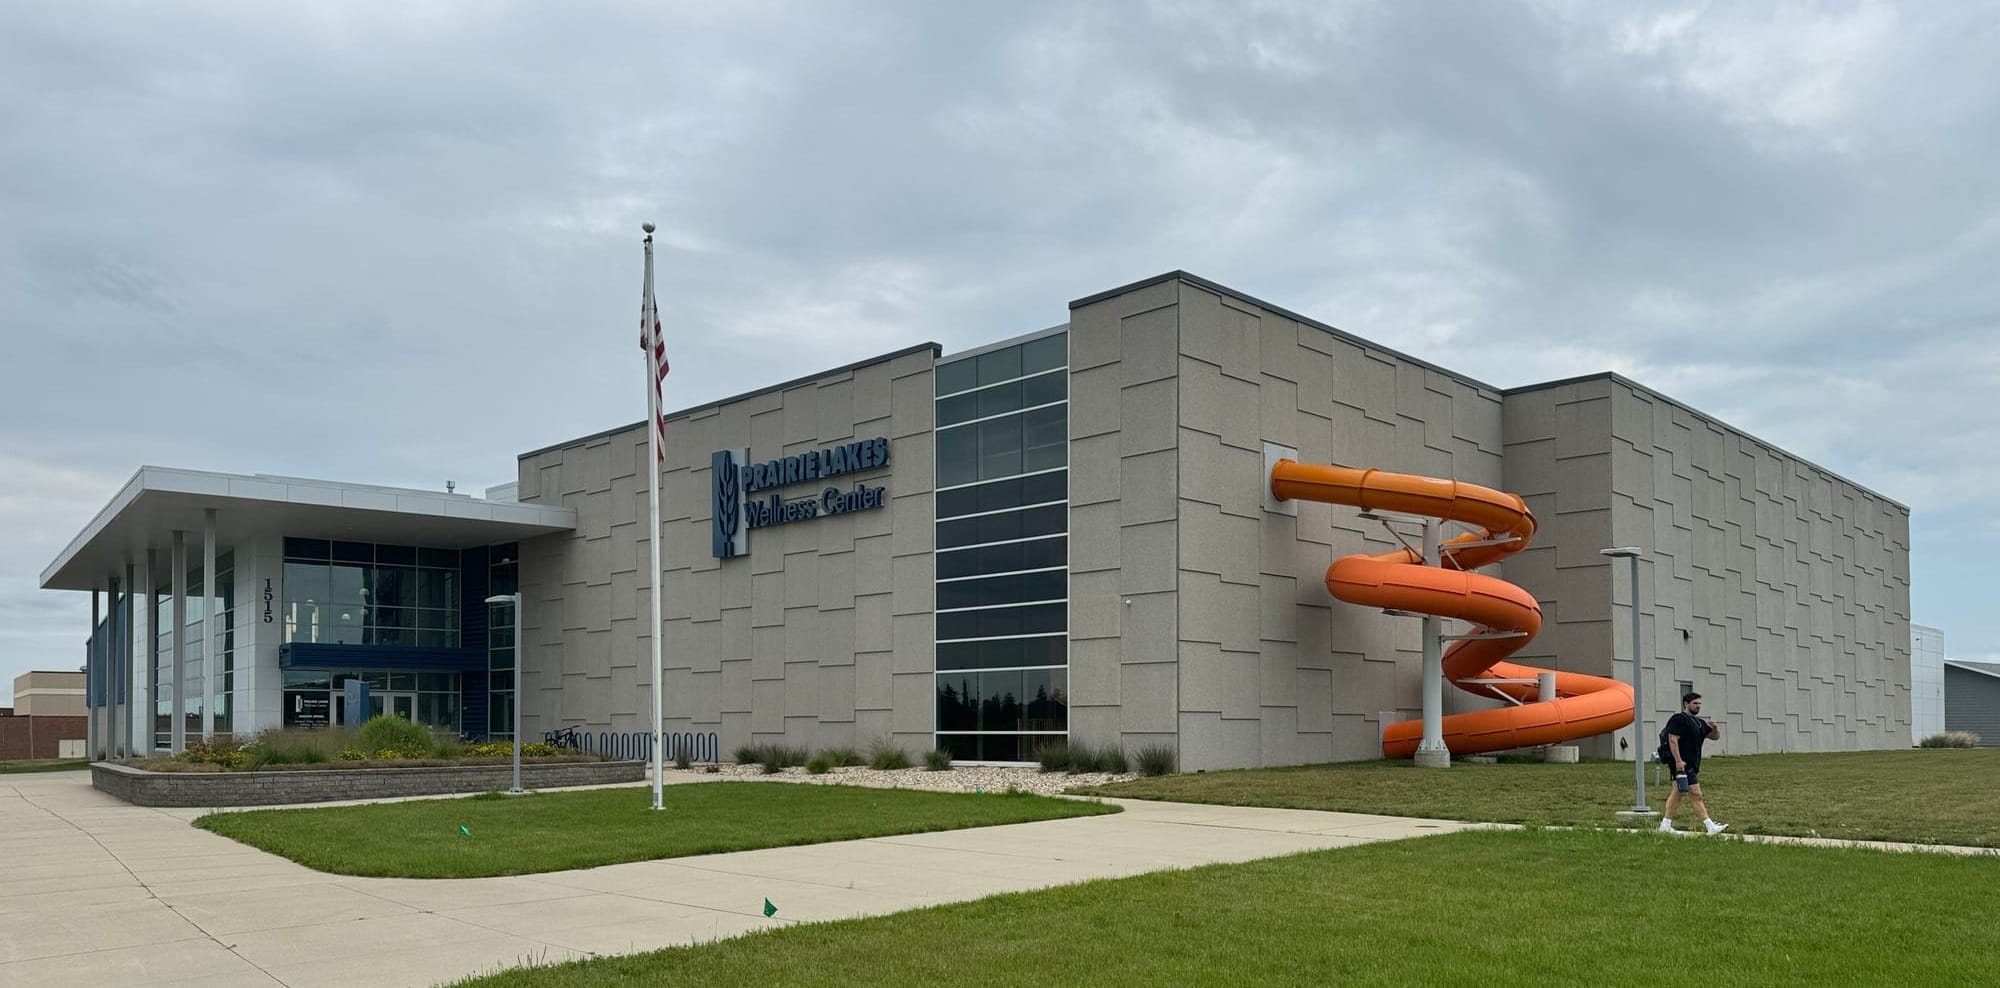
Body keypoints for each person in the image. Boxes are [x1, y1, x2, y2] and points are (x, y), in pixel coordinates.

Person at [1658, 691, 1727, 835]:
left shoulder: (1699, 723)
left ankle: (1665, 825)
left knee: (1678, 793)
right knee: (1696, 794)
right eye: (1695, 703)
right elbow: (1672, 739)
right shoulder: (1679, 719)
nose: (1698, 706)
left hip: (1692, 764)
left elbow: (1714, 737)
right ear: (1686, 704)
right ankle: (1710, 826)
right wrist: (1678, 760)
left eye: (1699, 704)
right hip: (1683, 764)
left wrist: (1715, 728)